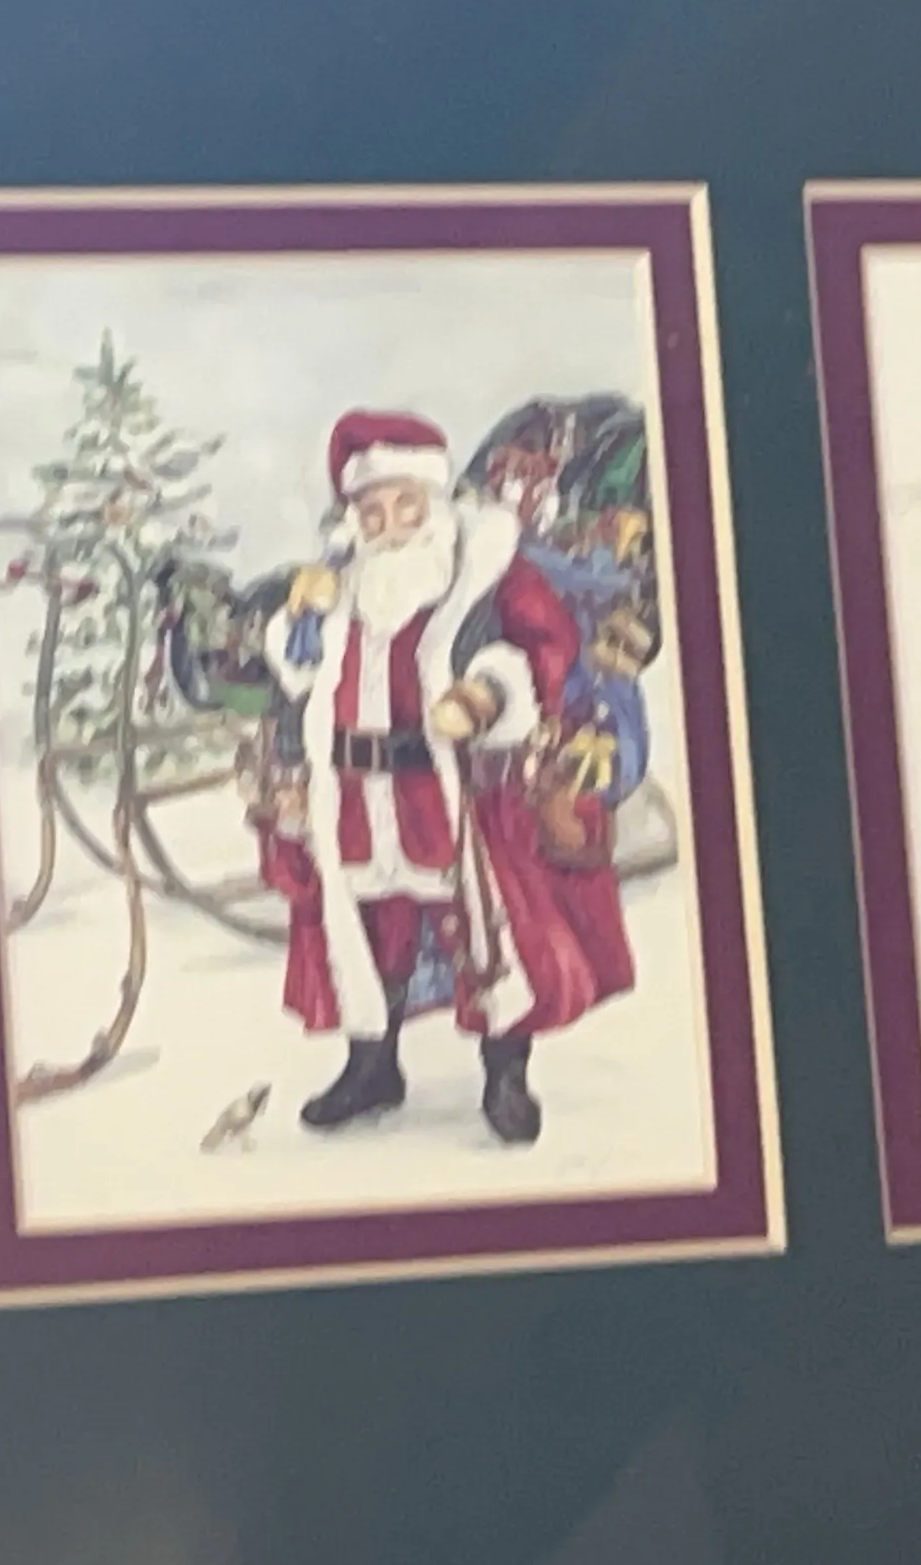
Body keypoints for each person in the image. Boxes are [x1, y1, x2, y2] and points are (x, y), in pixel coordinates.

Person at [257, 410, 636, 1146]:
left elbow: (545, 643)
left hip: (454, 786)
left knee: (490, 930)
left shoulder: (484, 566)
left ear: (432, 499)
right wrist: (299, 624)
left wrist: (488, 693)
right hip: (357, 791)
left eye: (405, 504)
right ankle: (373, 1066)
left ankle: (505, 1072)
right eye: (372, 510)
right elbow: (303, 672)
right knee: (370, 932)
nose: (390, 523)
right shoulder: (343, 577)